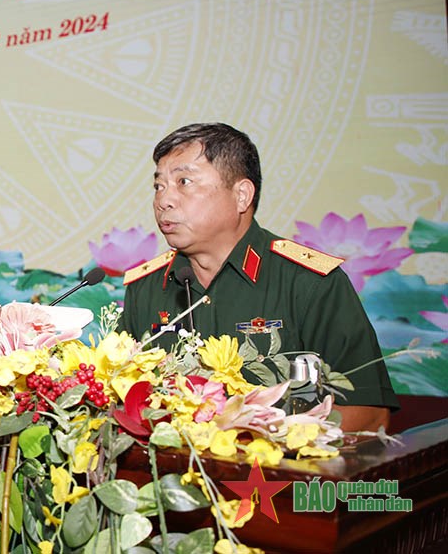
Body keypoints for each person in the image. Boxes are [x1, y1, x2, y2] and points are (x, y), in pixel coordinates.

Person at [122, 123, 398, 432]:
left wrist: (252, 443)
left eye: (184, 182)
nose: (164, 200)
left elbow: (369, 415)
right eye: (159, 186)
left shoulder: (310, 283)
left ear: (241, 195)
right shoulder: (143, 288)